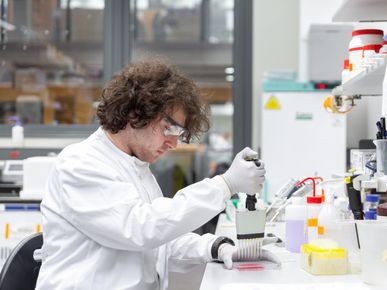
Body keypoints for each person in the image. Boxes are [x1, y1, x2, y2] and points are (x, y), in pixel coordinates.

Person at [35, 60, 278, 290]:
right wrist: (225, 184)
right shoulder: (80, 163)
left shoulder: (137, 169)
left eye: (179, 133)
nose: (173, 143)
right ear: (135, 114)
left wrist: (216, 247)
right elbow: (140, 229)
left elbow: (162, 241)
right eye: (169, 129)